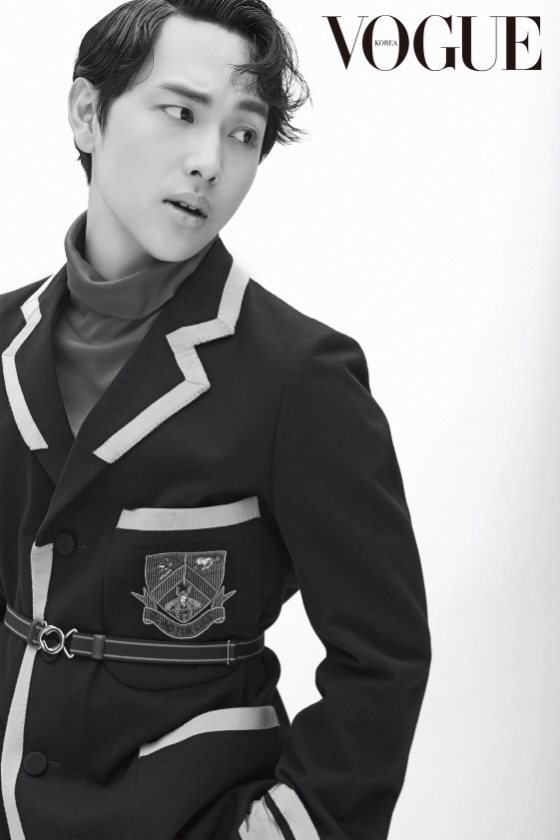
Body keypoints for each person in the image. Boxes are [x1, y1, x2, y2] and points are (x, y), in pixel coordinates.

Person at [0, 1, 431, 838]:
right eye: (180, 112)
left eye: (243, 133)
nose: (210, 161)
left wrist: (289, 827)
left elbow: (383, 659)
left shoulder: (301, 376)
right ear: (87, 113)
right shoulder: (0, 341)